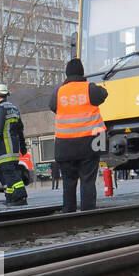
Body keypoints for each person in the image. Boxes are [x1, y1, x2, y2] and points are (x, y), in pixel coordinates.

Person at [49, 59, 107, 212]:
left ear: (67, 74)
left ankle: (69, 211)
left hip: (64, 145)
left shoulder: (58, 92)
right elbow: (104, 94)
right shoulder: (90, 89)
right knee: (88, 180)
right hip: (90, 143)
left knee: (68, 181)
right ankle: (88, 211)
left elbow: (52, 106)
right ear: (82, 72)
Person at [0, 83, 29, 205]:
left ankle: (21, 197)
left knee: (9, 173)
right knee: (8, 173)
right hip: (14, 148)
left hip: (4, 149)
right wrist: (23, 145)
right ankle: (10, 198)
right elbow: (20, 129)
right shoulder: (14, 109)